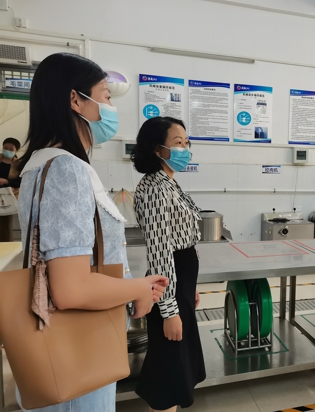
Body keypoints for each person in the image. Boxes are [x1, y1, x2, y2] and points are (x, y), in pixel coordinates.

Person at [14, 52, 169, 412]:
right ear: (75, 99)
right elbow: (71, 288)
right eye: (106, 95)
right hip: (76, 353)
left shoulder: (39, 163)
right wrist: (139, 287)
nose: (111, 107)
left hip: (66, 349)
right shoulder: (66, 169)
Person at [131, 116, 206, 412]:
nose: (184, 149)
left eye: (186, 142)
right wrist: (169, 311)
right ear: (156, 149)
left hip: (179, 282)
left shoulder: (169, 183)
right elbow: (161, 252)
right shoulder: (154, 188)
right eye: (177, 143)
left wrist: (189, 288)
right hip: (168, 286)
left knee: (176, 369)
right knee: (168, 375)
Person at [0, 137, 22, 242]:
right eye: (5, 148)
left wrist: (6, 181)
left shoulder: (18, 164)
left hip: (8, 196)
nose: (7, 150)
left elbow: (20, 182)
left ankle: (6, 245)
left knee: (5, 224)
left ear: (16, 150)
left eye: (11, 149)